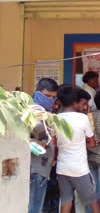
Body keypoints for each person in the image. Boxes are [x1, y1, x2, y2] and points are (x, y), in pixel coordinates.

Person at [55, 85, 100, 213]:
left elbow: (55, 142)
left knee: (66, 200)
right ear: (75, 103)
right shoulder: (82, 118)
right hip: (79, 169)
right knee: (93, 200)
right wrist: (81, 144)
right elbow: (92, 143)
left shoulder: (56, 119)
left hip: (62, 168)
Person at [29, 78, 58, 213]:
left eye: (53, 97)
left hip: (41, 170)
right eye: (47, 96)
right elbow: (40, 137)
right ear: (38, 93)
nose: (50, 100)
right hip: (35, 170)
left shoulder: (46, 114)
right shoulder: (33, 112)